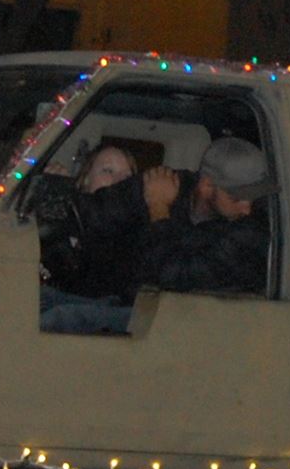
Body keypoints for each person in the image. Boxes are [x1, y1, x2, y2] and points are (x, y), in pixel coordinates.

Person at [133, 137, 273, 296]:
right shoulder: (174, 187)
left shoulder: (250, 233)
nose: (247, 209)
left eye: (253, 197)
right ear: (206, 186)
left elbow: (172, 277)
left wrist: (158, 207)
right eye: (236, 199)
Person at [34, 145, 150, 334]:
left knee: (58, 317)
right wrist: (55, 193)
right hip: (83, 298)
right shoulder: (76, 214)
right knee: (33, 297)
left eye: (127, 176)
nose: (118, 180)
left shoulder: (136, 223)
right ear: (85, 179)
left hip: (117, 304)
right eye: (108, 171)